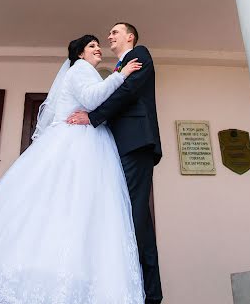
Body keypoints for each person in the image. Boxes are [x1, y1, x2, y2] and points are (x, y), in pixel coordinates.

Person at [0, 34, 146, 304]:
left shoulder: (84, 71)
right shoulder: (80, 70)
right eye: (92, 46)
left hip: (84, 140)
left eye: (98, 46)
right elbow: (92, 99)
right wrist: (120, 73)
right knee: (73, 204)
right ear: (80, 54)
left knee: (74, 208)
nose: (98, 50)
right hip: (75, 143)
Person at [68, 23, 163, 304]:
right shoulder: (116, 69)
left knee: (132, 215)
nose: (109, 37)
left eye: (115, 32)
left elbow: (127, 94)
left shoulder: (140, 55)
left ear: (130, 37)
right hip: (120, 145)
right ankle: (137, 288)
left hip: (135, 142)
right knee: (130, 215)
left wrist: (93, 117)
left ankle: (146, 293)